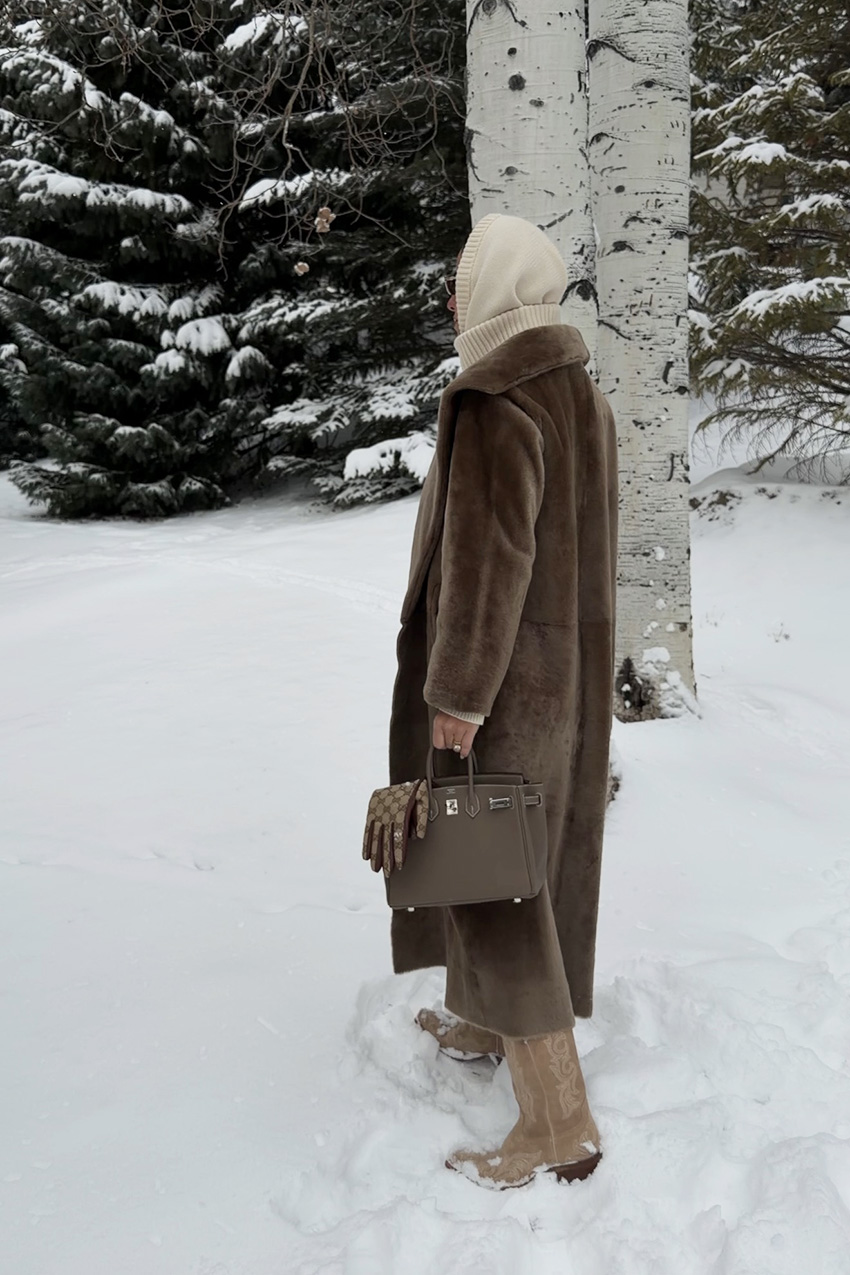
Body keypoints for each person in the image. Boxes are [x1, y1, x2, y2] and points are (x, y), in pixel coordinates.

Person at [387, 213, 618, 1188]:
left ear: (495, 289)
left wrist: (459, 696)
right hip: (562, 684)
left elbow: (489, 562)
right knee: (518, 859)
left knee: (494, 874)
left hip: (503, 689)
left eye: (460, 278)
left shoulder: (492, 399)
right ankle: (485, 1019)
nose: (449, 296)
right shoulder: (576, 392)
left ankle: (557, 1124)